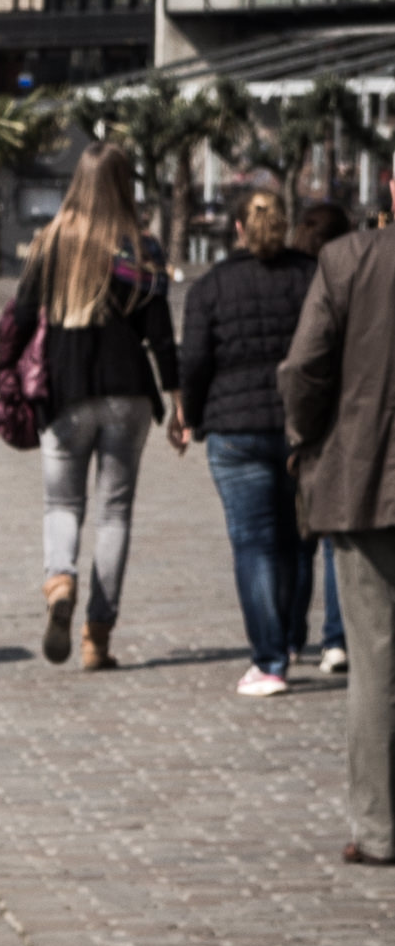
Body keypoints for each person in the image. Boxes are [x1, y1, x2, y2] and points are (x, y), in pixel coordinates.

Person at [7, 143, 181, 673]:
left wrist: (8, 376)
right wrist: (179, 402)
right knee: (114, 514)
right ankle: (96, 638)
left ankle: (60, 581)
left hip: (66, 390)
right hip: (129, 391)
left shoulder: (51, 243)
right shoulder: (141, 249)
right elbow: (160, 335)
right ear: (125, 184)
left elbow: (20, 317)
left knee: (62, 505)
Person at [280, 203, 395, 864]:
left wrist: (305, 437)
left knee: (375, 659)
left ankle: (379, 829)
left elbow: (304, 367)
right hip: (366, 477)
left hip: (365, 479)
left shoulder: (349, 259)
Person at [178, 190, 315, 696]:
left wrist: (191, 416)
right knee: (298, 540)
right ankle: (293, 637)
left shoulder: (212, 286)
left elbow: (195, 361)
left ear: (236, 228)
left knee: (255, 543)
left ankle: (270, 659)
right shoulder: (311, 275)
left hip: (235, 427)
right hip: (301, 425)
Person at [294, 203, 354, 674]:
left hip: (298, 418)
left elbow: (299, 362)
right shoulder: (349, 276)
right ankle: (336, 640)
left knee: (298, 539)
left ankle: (290, 637)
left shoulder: (296, 278)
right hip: (340, 420)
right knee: (335, 539)